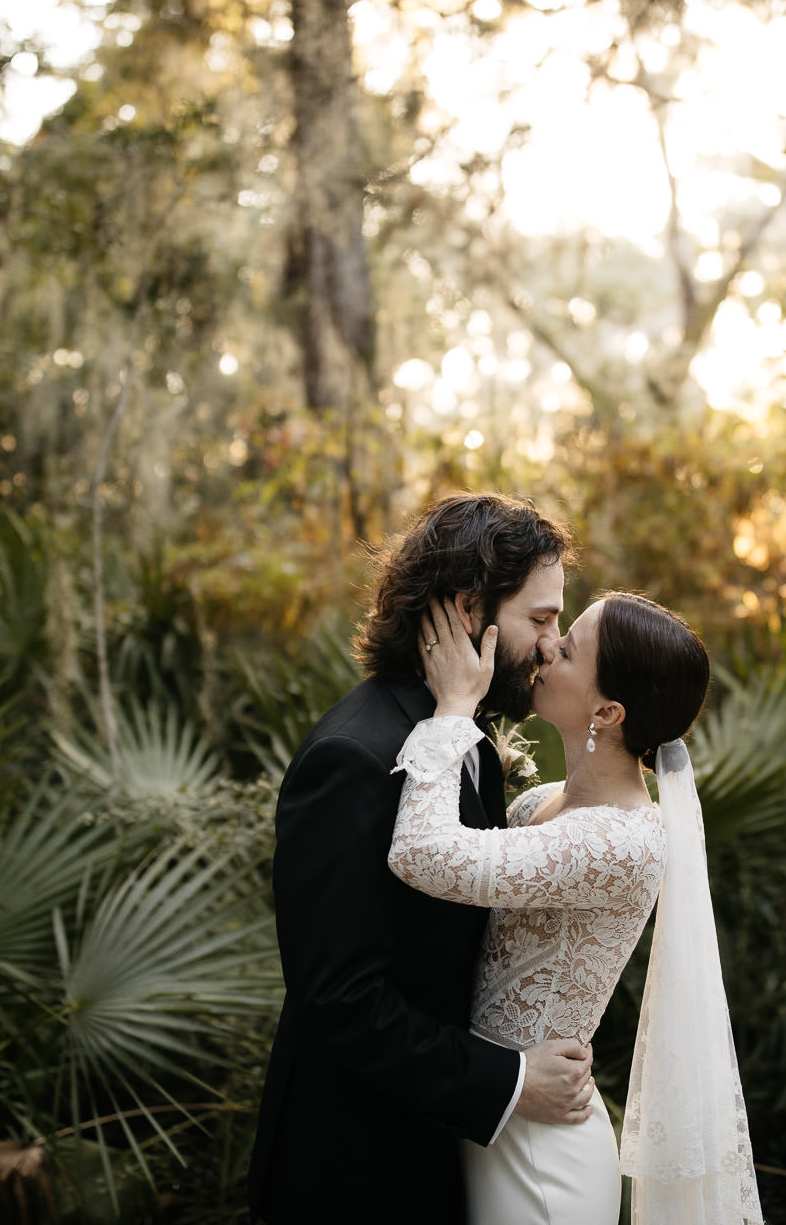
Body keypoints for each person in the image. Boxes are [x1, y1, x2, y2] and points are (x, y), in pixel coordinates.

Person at [249, 493, 599, 1225]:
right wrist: (507, 1080)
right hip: (352, 1166)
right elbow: (339, 999)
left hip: (437, 1147)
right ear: (470, 610)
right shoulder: (353, 757)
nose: (550, 642)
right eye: (540, 618)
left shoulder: (460, 738)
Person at [388, 592, 763, 1224]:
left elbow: (421, 854)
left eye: (568, 648)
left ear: (608, 711)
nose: (545, 647)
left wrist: (454, 709)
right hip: (495, 1110)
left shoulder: (617, 841)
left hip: (541, 1159)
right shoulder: (542, 804)